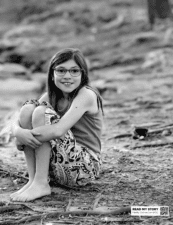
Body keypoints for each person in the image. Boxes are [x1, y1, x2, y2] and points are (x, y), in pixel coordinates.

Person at [10, 48, 104, 202]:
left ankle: (40, 183)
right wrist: (18, 132)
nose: (67, 76)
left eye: (74, 71)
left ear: (83, 74)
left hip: (83, 169)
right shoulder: (51, 96)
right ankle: (34, 180)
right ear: (52, 75)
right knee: (28, 109)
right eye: (61, 70)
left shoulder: (86, 95)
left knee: (41, 113)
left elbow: (58, 131)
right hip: (57, 167)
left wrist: (24, 136)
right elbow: (19, 116)